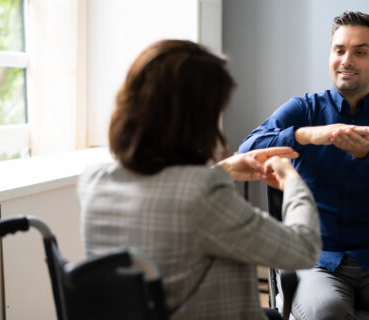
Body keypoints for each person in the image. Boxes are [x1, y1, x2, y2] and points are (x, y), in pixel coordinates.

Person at [77, 39, 322, 320]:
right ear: (194, 121)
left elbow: (166, 199)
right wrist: (293, 180)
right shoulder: (202, 195)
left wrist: (223, 168)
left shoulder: (93, 182)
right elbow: (304, 249)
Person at [238, 11, 369, 319]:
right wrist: (306, 134)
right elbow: (248, 150)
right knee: (328, 313)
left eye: (360, 52)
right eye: (339, 50)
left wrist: (367, 155)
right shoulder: (302, 108)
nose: (346, 60)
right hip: (315, 260)